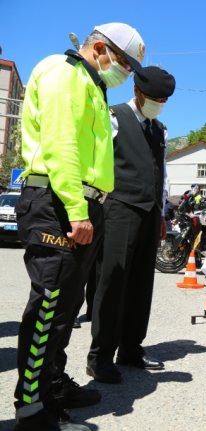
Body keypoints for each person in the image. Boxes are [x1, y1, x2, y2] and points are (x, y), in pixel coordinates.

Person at [14, 22, 146, 431]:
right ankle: (33, 411)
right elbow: (62, 145)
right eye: (124, 62)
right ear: (101, 48)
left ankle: (53, 384)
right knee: (50, 309)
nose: (125, 72)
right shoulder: (64, 73)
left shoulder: (91, 84)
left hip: (82, 202)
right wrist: (76, 209)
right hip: (59, 203)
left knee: (67, 308)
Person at [86, 66, 174, 384]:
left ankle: (131, 348)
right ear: (137, 92)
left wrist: (162, 213)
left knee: (141, 284)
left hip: (150, 213)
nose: (159, 104)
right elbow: (95, 160)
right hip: (119, 208)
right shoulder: (114, 117)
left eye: (163, 100)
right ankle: (100, 356)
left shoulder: (159, 129)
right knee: (112, 281)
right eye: (154, 98)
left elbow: (161, 172)